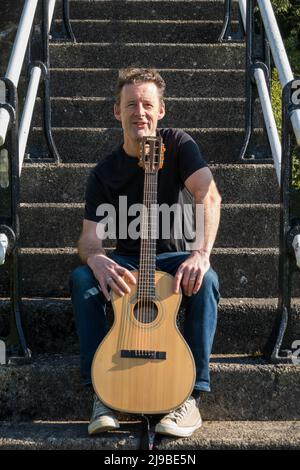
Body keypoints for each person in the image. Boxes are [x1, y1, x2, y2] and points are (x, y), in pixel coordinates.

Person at [70, 68, 221, 438]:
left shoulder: (180, 145)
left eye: (147, 104)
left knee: (207, 280)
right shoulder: (104, 173)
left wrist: (201, 252)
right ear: (117, 112)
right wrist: (96, 258)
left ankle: (190, 395)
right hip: (127, 263)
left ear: (161, 111)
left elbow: (209, 195)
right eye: (131, 104)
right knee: (82, 279)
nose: (140, 112)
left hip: (172, 259)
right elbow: (89, 239)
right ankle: (102, 395)